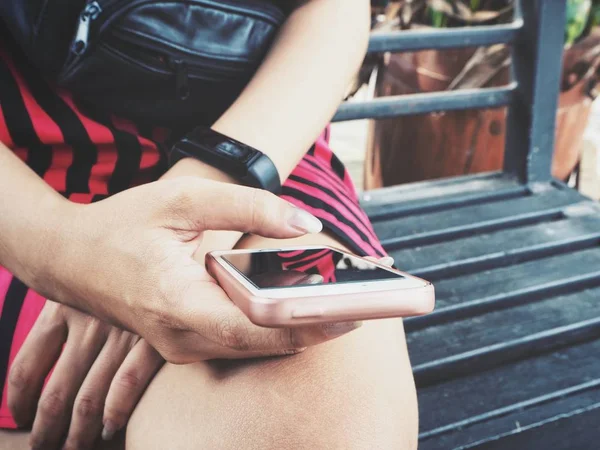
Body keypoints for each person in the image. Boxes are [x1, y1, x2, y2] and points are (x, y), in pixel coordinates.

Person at [0, 0, 418, 448]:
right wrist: (56, 249)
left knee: (320, 425)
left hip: (268, 143)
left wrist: (210, 193)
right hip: (26, 188)